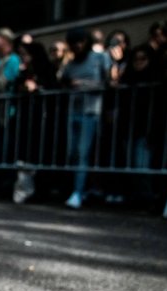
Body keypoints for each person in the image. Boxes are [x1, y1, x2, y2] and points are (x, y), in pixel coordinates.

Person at [61, 27, 112, 209]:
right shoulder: (71, 64)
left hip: (92, 112)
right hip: (73, 111)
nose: (77, 46)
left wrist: (82, 84)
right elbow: (63, 80)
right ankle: (77, 189)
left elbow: (109, 83)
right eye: (73, 43)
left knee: (84, 153)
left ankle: (79, 192)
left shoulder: (100, 58)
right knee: (72, 153)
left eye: (80, 42)